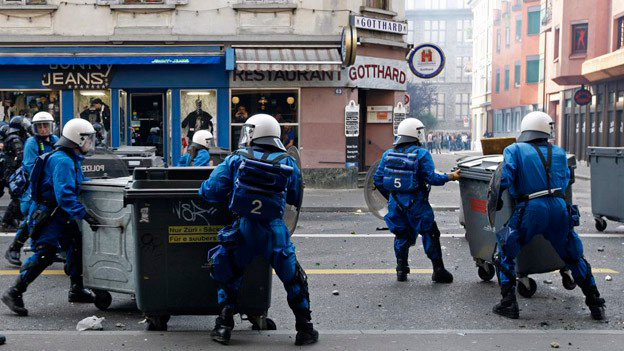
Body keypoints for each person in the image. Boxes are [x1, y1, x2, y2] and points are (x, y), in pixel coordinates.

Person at [200, 114, 318, 346]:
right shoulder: (288, 161)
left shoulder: (236, 159)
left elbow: (209, 191)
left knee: (230, 274)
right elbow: (295, 197)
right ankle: (305, 328)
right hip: (275, 231)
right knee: (294, 278)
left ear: (252, 132)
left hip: (243, 229)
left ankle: (223, 326)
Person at [492, 111, 605, 320]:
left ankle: (508, 303)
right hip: (560, 208)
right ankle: (595, 302)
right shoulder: (560, 153)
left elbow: (504, 178)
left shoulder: (514, 149)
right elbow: (564, 182)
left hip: (530, 208)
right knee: (574, 255)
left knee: (504, 247)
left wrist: (495, 200)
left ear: (526, 129)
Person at [1, 118, 101, 316]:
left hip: (59, 214)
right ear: (78, 140)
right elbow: (65, 195)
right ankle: (14, 292)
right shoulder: (63, 160)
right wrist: (85, 215)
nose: (90, 143)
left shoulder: (69, 157)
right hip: (50, 215)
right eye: (88, 139)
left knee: (75, 245)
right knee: (45, 253)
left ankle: (77, 288)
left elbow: (78, 183)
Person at [373, 118, 460, 283]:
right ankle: (438, 270)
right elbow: (432, 178)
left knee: (401, 234)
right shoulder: (421, 154)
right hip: (417, 203)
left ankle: (401, 270)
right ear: (416, 133)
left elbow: (378, 180)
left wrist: (392, 196)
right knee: (430, 233)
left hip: (395, 203)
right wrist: (451, 176)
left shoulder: (388, 154)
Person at [5, 112, 58, 266]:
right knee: (34, 215)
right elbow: (30, 167)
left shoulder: (55, 140)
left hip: (53, 185)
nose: (43, 129)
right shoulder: (31, 143)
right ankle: (15, 247)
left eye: (46, 125)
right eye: (40, 126)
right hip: (34, 188)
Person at [2, 116, 30, 231]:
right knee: (17, 197)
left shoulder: (14, 137)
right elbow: (20, 156)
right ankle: (6, 222)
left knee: (19, 196)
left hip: (12, 172)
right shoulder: (15, 139)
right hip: (13, 173)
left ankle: (13, 221)